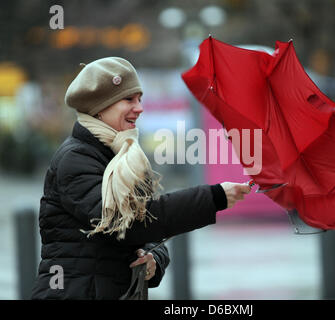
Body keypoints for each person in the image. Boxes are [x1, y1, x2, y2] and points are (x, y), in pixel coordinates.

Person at [31, 57, 251, 299]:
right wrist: (213, 197)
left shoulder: (127, 157)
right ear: (100, 107)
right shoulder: (76, 158)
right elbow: (124, 224)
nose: (139, 108)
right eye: (129, 99)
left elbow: (148, 231)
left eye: (139, 99)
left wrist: (153, 260)